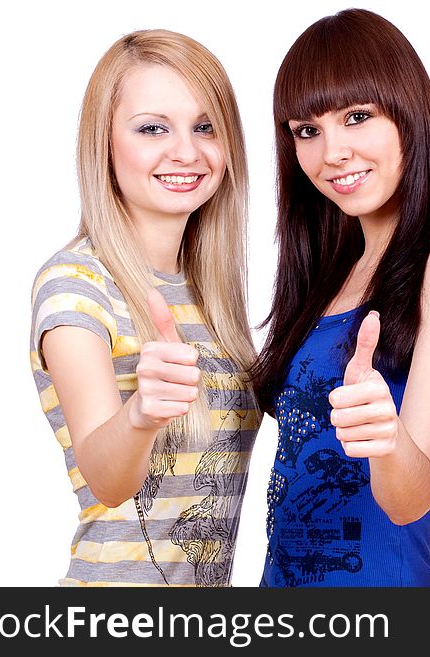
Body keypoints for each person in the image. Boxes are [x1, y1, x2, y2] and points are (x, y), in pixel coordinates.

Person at [251, 8, 430, 587]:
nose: (332, 152)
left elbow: (411, 498)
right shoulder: (331, 271)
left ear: (410, 117)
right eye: (307, 130)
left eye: (357, 117)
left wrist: (385, 438)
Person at [29, 29, 260, 586]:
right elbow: (105, 479)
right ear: (104, 143)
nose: (186, 151)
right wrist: (140, 416)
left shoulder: (210, 292)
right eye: (153, 128)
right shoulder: (76, 285)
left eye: (205, 126)